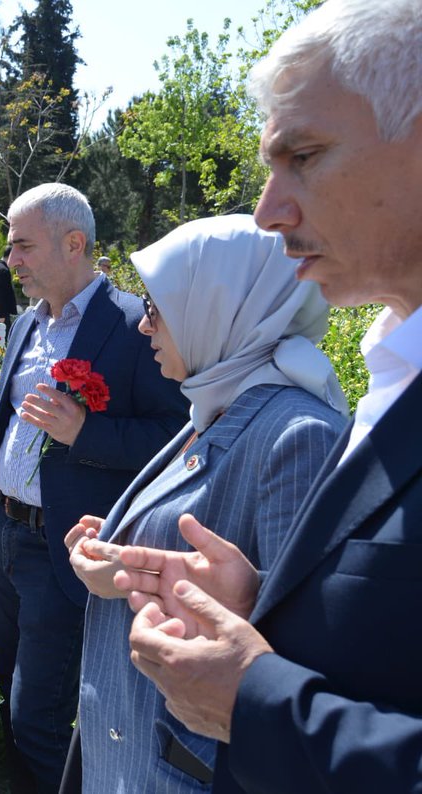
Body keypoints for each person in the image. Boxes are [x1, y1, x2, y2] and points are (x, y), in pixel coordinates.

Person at [115, 1, 422, 790]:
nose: (267, 211)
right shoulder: (393, 369)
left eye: (306, 155)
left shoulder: (298, 422)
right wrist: (259, 608)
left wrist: (257, 700)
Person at [63, 215, 346, 792]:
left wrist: (131, 577)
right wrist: (125, 539)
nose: (144, 326)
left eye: (156, 305)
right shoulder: (214, 403)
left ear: (217, 305)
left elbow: (301, 640)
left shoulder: (298, 434)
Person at [0, 183, 187, 792]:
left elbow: (177, 436)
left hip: (63, 552)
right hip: (3, 539)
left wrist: (86, 433)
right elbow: (29, 431)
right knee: (13, 694)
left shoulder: (133, 327)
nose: (10, 260)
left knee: (38, 720)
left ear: (74, 244)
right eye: (10, 247)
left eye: (22, 246)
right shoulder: (26, 324)